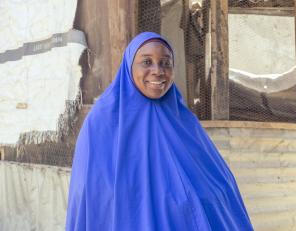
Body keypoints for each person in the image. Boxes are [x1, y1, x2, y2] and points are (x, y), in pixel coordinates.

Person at [66, 32, 253, 231]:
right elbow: (88, 192)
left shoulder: (183, 121)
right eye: (146, 62)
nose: (158, 71)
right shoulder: (102, 120)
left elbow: (219, 183)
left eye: (166, 63)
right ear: (129, 66)